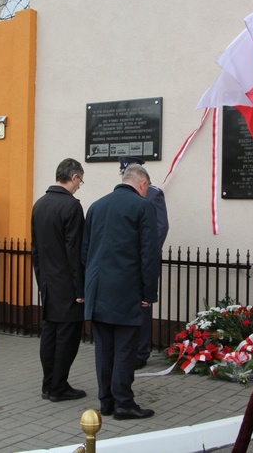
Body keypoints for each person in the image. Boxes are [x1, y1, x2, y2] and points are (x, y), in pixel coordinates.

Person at [82, 163, 159, 420]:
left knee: (104, 349)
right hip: (126, 291)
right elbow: (149, 254)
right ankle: (124, 404)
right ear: (142, 184)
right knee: (125, 348)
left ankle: (106, 402)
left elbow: (85, 252)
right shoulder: (143, 206)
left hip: (98, 290)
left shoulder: (96, 206)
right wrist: (149, 294)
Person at [31, 158, 87, 402]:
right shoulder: (71, 207)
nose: (79, 186)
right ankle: (58, 386)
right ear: (73, 177)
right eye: (80, 181)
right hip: (68, 285)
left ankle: (48, 384)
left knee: (50, 334)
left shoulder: (39, 204)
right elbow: (75, 252)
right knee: (67, 337)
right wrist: (80, 288)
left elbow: (35, 250)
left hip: (48, 284)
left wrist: (41, 281)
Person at [117, 156, 169, 369]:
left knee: (143, 306)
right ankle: (126, 348)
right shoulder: (119, 194)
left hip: (143, 260)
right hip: (125, 262)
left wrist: (147, 254)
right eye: (122, 171)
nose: (123, 174)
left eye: (126, 170)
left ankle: (140, 351)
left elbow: (160, 227)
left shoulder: (153, 194)